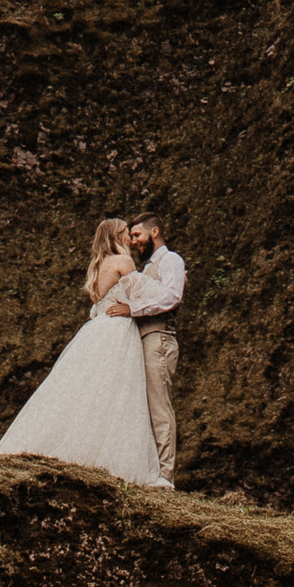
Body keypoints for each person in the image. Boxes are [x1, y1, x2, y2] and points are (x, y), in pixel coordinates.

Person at [0, 216, 164, 484]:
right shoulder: (123, 262)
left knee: (84, 388)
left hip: (96, 330)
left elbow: (97, 304)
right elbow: (141, 296)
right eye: (125, 234)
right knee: (116, 391)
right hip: (118, 329)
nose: (130, 239)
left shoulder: (98, 265)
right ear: (116, 236)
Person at [100, 205, 186, 487]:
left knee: (160, 407)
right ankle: (148, 471)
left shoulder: (171, 260)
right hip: (141, 340)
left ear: (155, 232)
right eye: (131, 236)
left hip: (158, 338)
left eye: (137, 234)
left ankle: (165, 475)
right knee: (141, 407)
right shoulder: (147, 267)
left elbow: (172, 297)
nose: (133, 240)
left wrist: (132, 309)